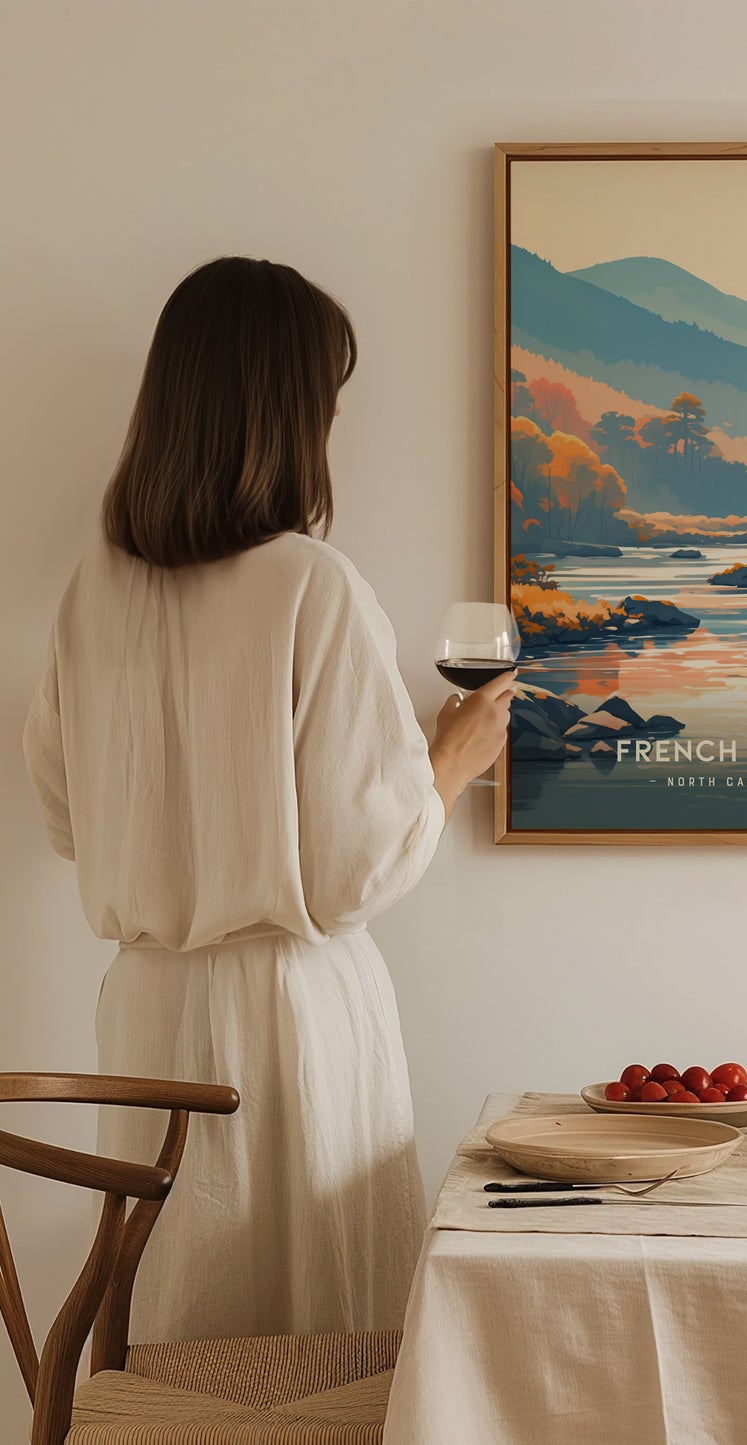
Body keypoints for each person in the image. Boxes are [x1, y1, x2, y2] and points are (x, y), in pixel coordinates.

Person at [21, 256, 511, 1341]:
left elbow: (65, 816)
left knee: (177, 1324)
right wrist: (448, 759)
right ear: (288, 411)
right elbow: (350, 872)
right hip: (289, 1017)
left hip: (145, 1008)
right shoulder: (309, 583)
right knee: (314, 1342)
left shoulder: (92, 590)